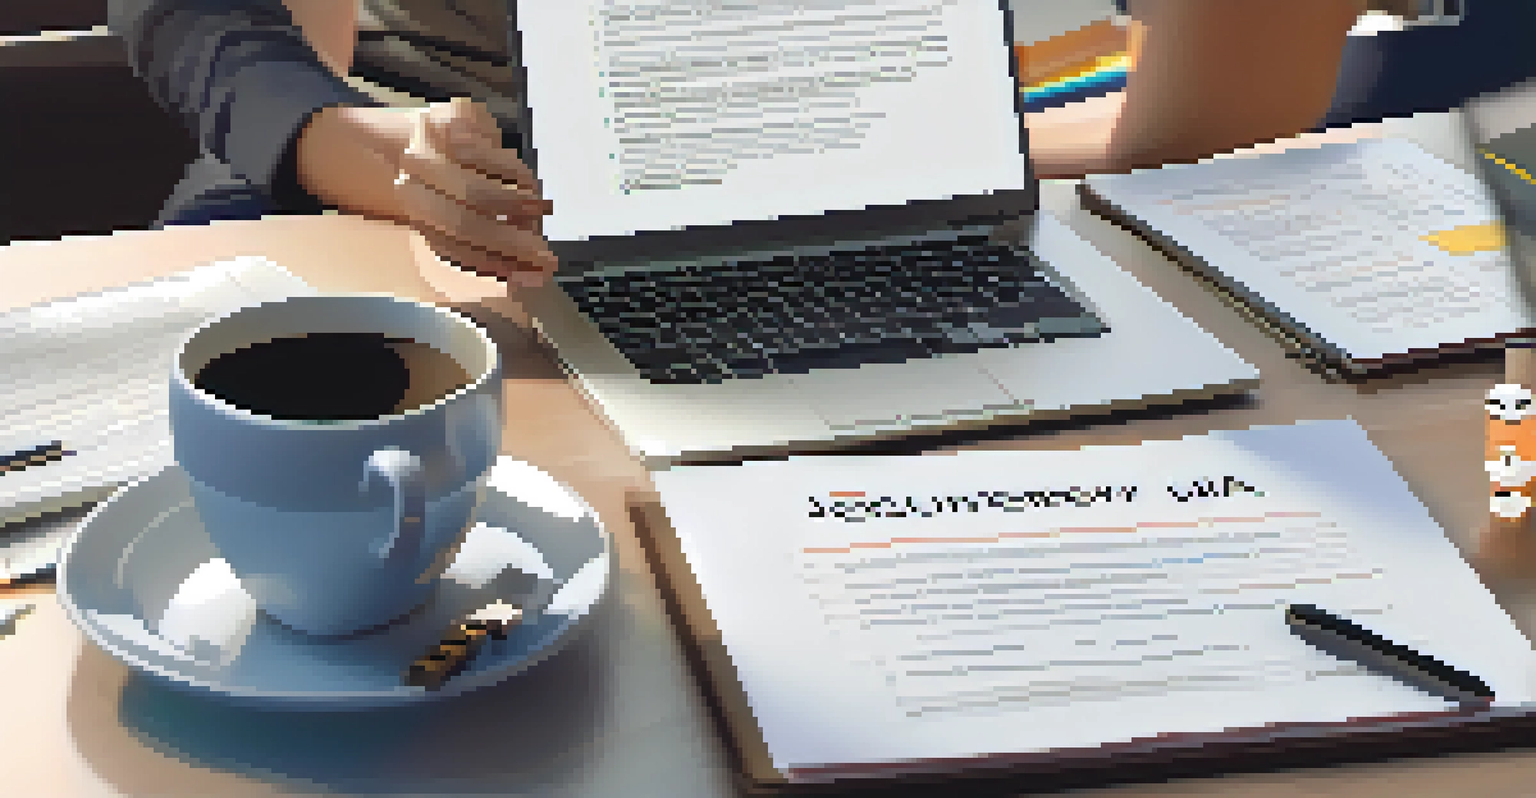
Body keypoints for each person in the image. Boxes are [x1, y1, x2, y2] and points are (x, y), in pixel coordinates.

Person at [108, 0, 1365, 284]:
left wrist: (925, 159)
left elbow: (1213, 116)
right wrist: (343, 145)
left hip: (859, 170)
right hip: (388, 174)